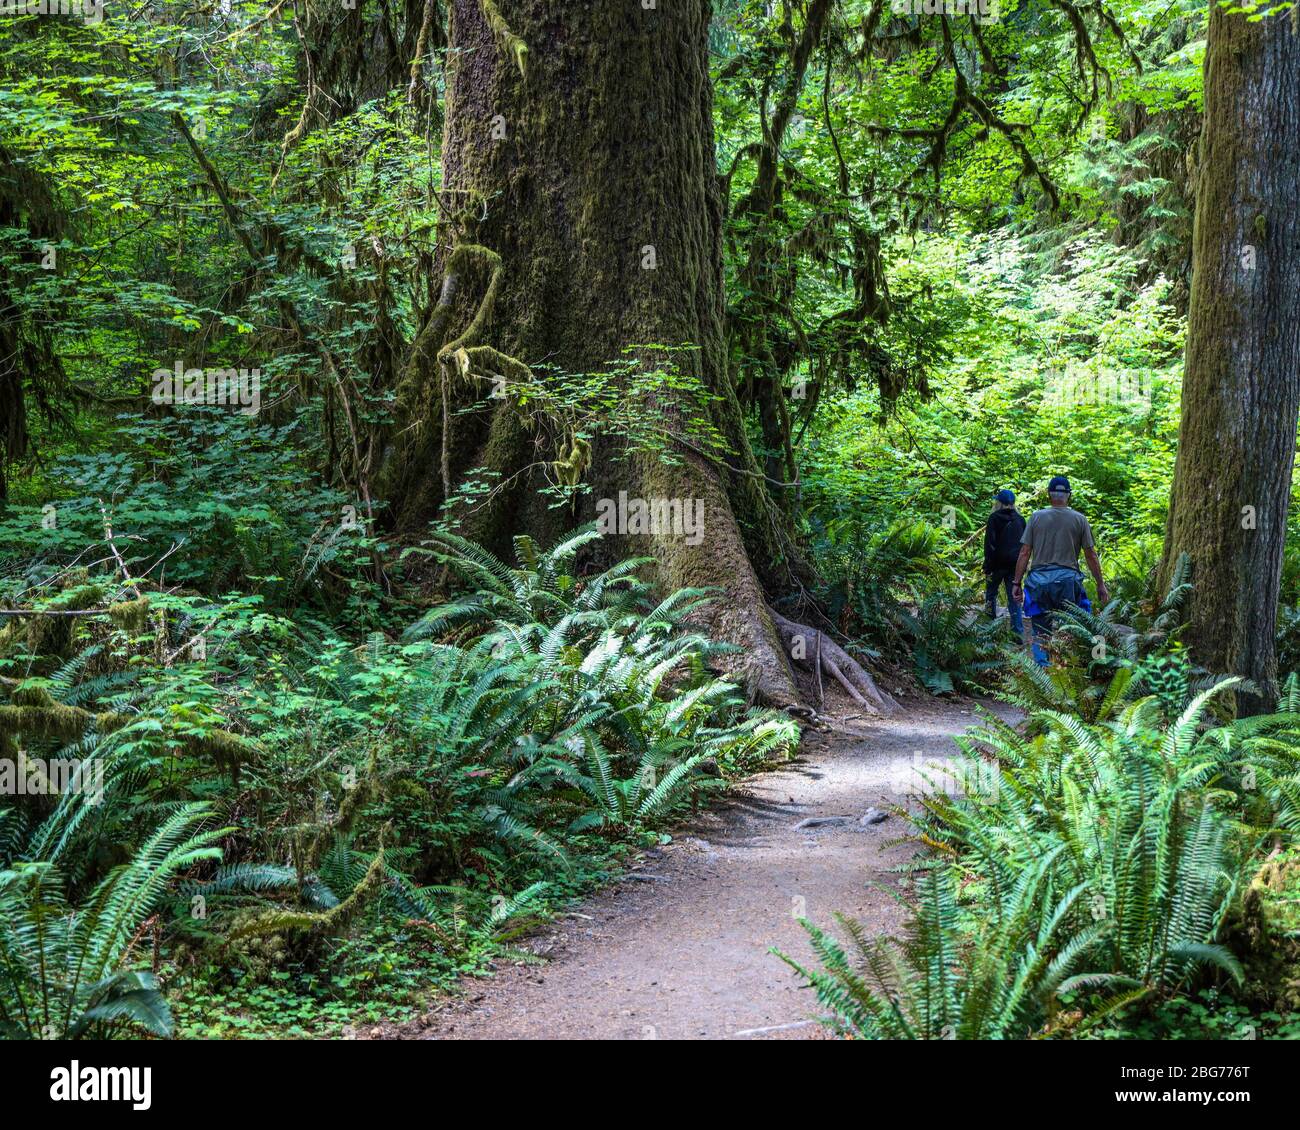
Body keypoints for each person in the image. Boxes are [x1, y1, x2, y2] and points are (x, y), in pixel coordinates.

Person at [1011, 475, 1110, 665]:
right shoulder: (1079, 519)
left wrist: (1016, 583)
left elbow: (1024, 552)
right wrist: (1100, 584)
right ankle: (1071, 668)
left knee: (1040, 630)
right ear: (1069, 495)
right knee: (1074, 628)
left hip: (1039, 583)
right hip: (1068, 583)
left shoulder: (1036, 517)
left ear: (1049, 495)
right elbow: (1091, 555)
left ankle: (1043, 672)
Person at [983, 488, 1025, 635]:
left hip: (996, 565)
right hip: (1015, 566)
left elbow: (989, 544)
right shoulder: (1020, 520)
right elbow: (1024, 547)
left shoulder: (994, 518)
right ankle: (1017, 633)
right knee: (1014, 599)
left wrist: (987, 566)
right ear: (1013, 503)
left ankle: (989, 629)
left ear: (999, 503)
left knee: (990, 595)